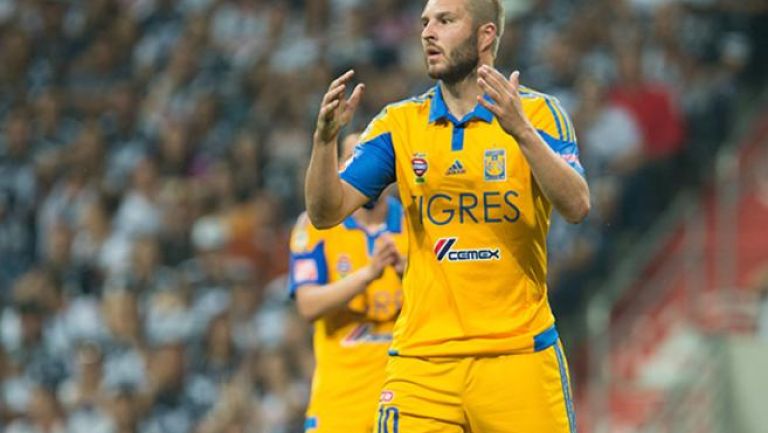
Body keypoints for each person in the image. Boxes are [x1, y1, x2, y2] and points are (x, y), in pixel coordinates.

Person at [304, 0, 590, 431]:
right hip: (423, 363)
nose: (427, 32)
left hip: (518, 355)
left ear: (486, 35)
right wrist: (324, 143)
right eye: (424, 22)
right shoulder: (400, 124)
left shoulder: (537, 114)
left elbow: (578, 206)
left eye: (445, 20)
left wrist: (522, 133)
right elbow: (325, 213)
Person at [289, 133, 407, 433]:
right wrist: (368, 274)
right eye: (355, 158)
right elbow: (308, 305)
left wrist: (411, 271)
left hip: (405, 394)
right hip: (339, 401)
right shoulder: (315, 225)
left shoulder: (414, 223)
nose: (365, 168)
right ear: (341, 165)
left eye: (373, 160)